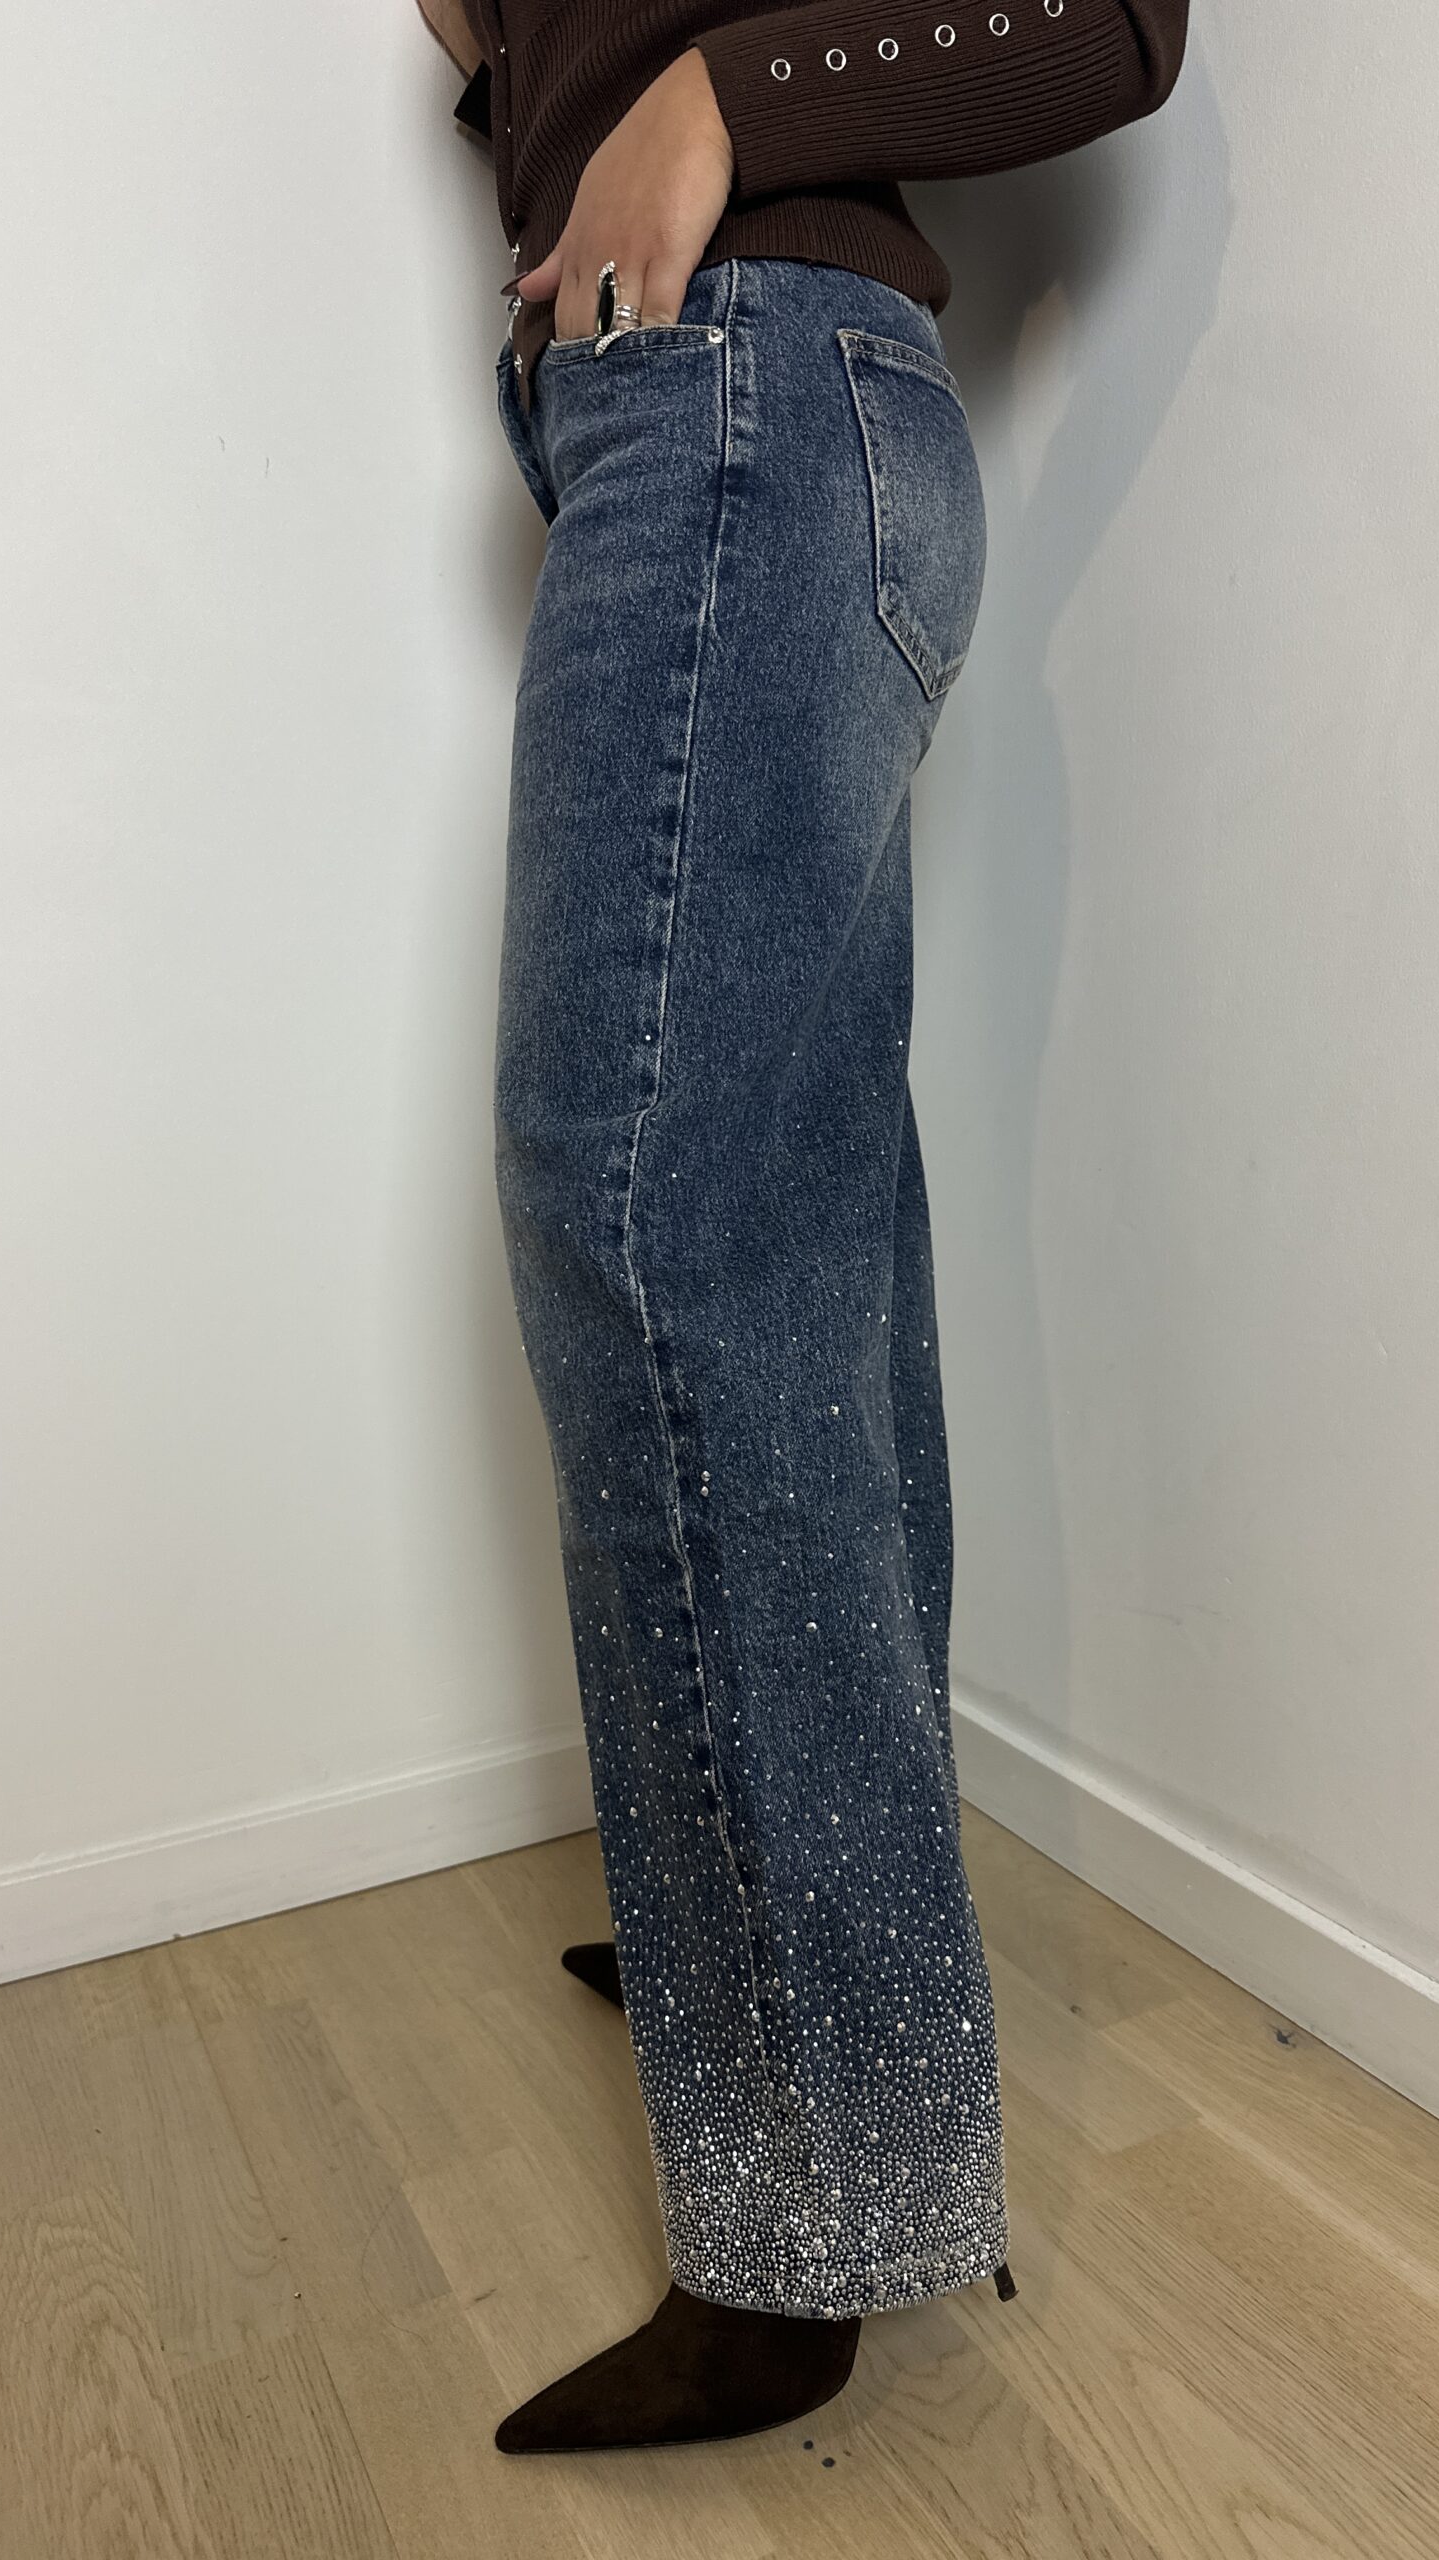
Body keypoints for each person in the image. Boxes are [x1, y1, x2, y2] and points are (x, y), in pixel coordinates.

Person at [416, 0, 1188, 2455]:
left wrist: (726, 102)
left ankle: (810, 2190)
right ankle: (774, 1943)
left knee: (652, 1221)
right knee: (787, 1230)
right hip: (722, 421)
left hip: (747, 400)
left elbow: (1113, 19)